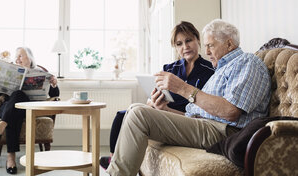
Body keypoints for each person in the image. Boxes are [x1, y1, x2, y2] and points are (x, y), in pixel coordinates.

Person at [106, 19, 271, 176]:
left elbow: (230, 112)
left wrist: (183, 88)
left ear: (229, 43)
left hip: (226, 131)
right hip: (208, 125)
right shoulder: (221, 70)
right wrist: (165, 109)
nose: (206, 52)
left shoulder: (248, 62)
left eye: (210, 46)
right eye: (206, 46)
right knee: (135, 108)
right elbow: (194, 116)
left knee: (138, 114)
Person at [100, 21, 215, 169]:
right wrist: (153, 103)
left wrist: (165, 109)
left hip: (184, 118)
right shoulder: (169, 69)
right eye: (179, 44)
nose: (185, 47)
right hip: (161, 111)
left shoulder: (210, 71)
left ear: (197, 40)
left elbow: (201, 112)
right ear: (175, 47)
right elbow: (152, 97)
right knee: (122, 115)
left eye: (189, 41)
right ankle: (113, 158)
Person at [0, 47, 59, 174]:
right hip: (6, 109)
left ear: (30, 58)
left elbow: (54, 94)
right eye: (16, 56)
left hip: (28, 110)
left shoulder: (39, 73)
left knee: (17, 102)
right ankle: (8, 149)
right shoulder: (9, 72)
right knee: (17, 97)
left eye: (20, 56)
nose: (17, 59)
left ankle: (9, 154)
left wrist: (54, 84)